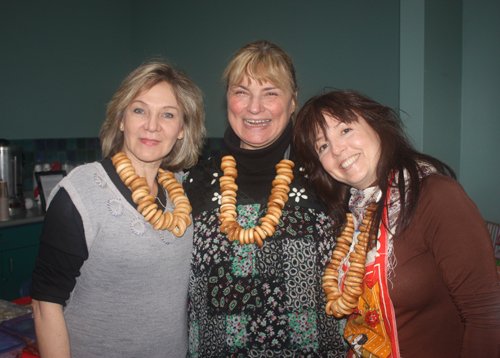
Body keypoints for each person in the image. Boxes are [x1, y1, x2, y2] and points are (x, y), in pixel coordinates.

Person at [293, 89, 500, 358]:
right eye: (322, 145)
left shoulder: (436, 196)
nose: (336, 149)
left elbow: (487, 315)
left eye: (344, 130)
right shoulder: (351, 214)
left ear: (376, 125)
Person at [184, 40, 348, 357]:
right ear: (228, 99)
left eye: (270, 92)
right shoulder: (194, 183)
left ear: (292, 101)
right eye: (241, 91)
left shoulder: (327, 175)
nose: (254, 107)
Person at [30, 61, 205, 358]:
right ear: (122, 119)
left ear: (181, 129)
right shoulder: (81, 193)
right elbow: (45, 304)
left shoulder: (182, 193)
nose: (152, 125)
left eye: (168, 114)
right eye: (139, 110)